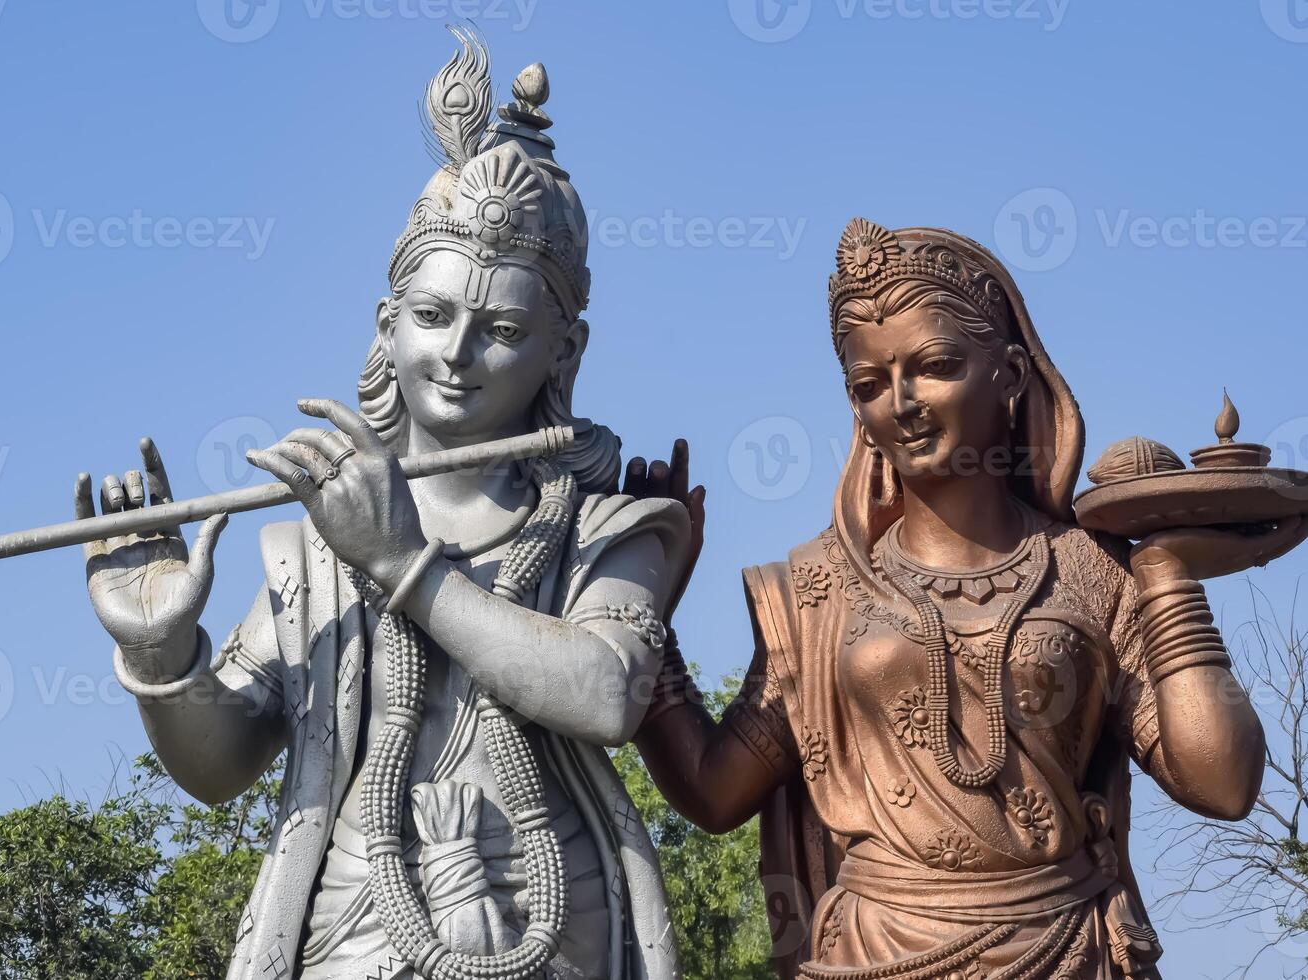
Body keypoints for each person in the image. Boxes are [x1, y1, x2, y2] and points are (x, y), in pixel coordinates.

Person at [75, 35, 687, 980]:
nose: (457, 354)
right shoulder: (309, 553)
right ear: (388, 324)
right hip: (349, 930)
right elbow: (219, 764)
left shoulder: (607, 531)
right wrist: (159, 654)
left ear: (564, 354)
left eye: (505, 329)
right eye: (434, 317)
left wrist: (402, 562)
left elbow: (607, 693)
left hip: (554, 921)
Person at [631, 218, 1302, 979]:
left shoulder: (1088, 573)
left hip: (1068, 951)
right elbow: (716, 790)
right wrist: (646, 613)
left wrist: (1167, 575)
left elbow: (1222, 781)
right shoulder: (818, 592)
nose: (903, 403)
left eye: (936, 365)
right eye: (869, 385)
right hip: (875, 955)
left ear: (1012, 375)